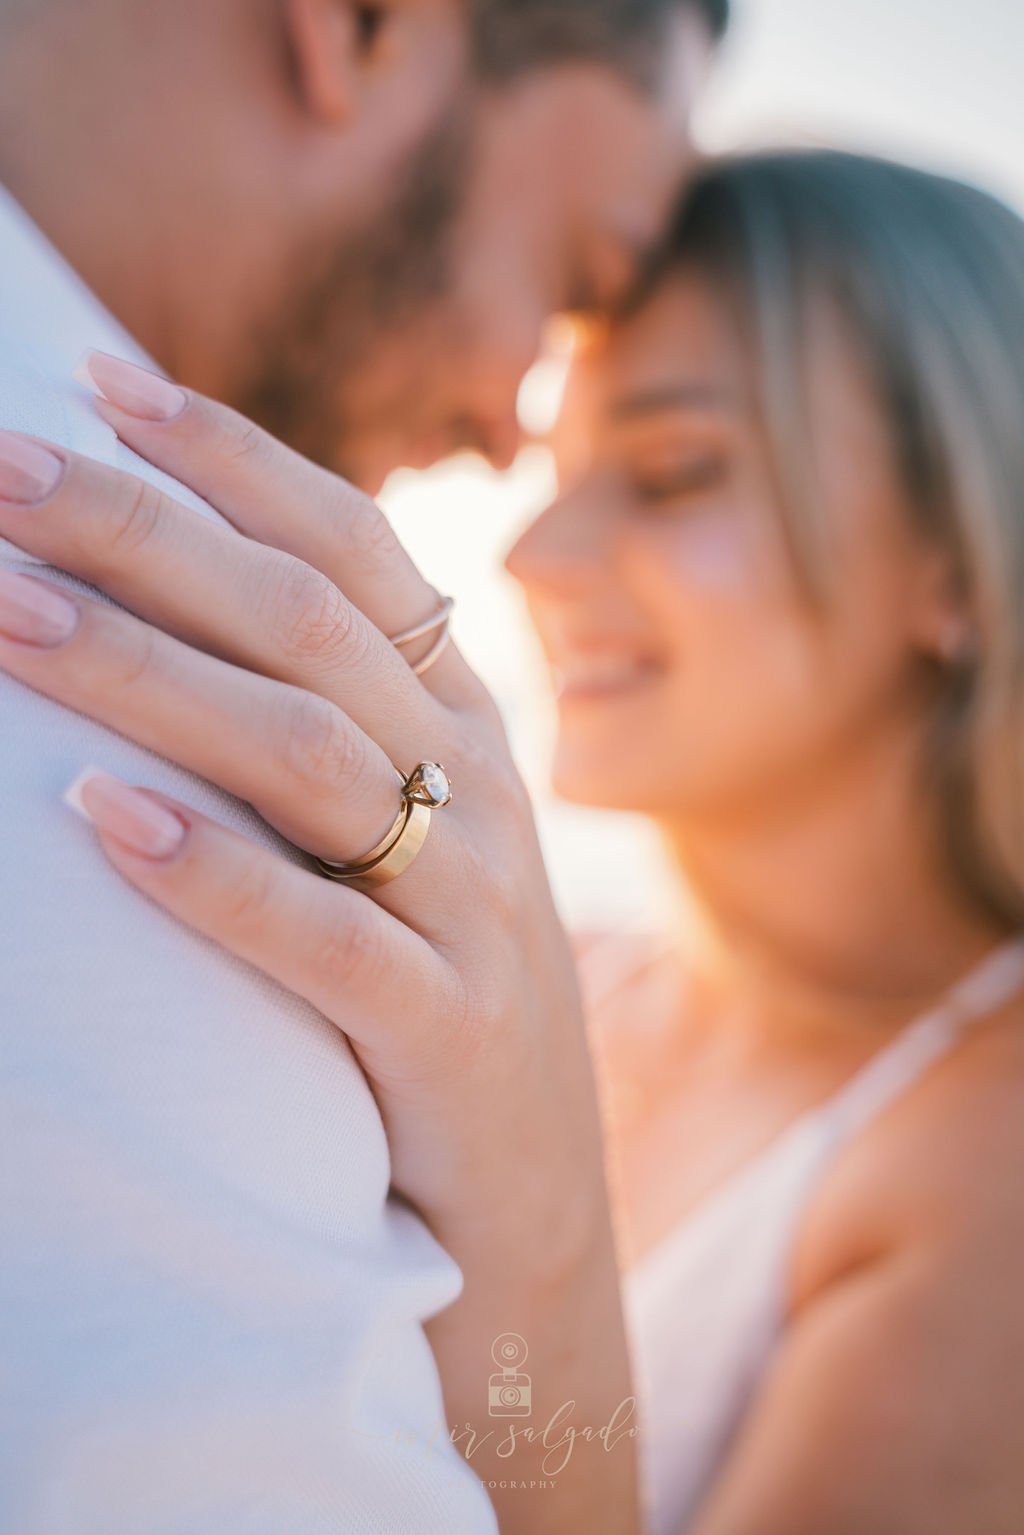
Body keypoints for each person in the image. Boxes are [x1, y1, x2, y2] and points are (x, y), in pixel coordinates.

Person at [4, 146, 1024, 1535]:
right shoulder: (577, 978)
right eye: (555, 469)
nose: (535, 553)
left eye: (671, 475)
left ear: (960, 560)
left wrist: (542, 1228)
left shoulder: (989, 1163)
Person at [0, 1, 727, 1531]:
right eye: (570, 282)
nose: (502, 432)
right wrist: (546, 1232)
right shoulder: (151, 704)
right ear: (366, 27)